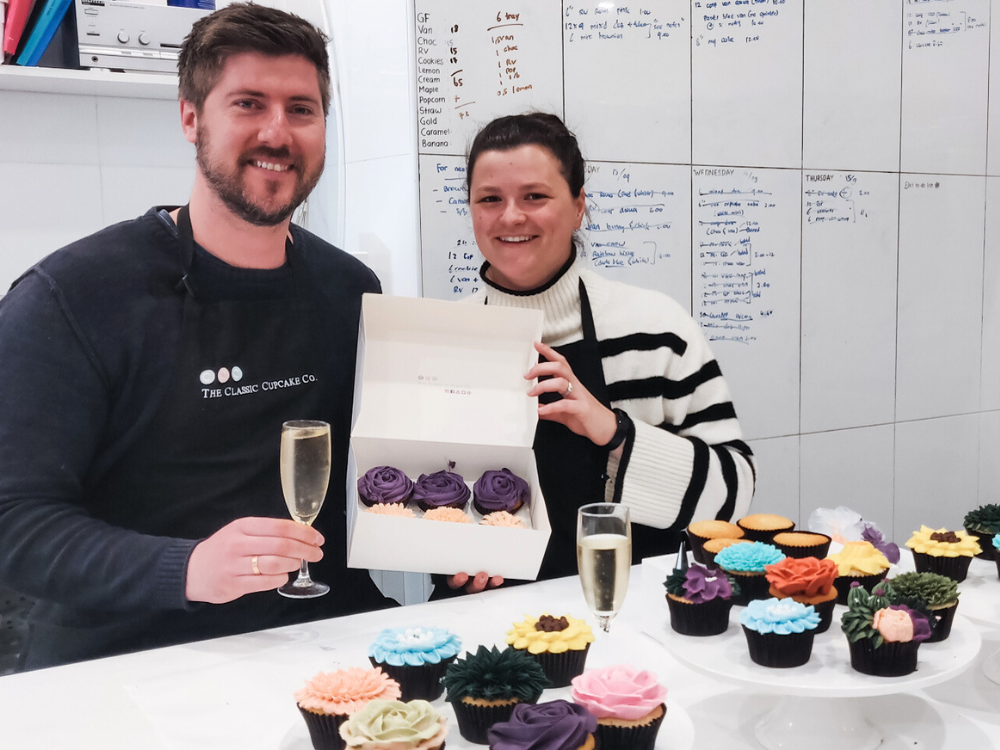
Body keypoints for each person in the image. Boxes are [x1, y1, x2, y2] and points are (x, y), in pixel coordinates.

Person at [0, 3, 390, 670]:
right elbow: (15, 520)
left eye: (301, 109)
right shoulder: (70, 297)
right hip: (123, 654)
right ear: (190, 117)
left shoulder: (350, 290)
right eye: (247, 103)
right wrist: (187, 567)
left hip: (318, 632)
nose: (278, 132)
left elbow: (384, 470)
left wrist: (458, 538)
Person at [449, 113, 756, 589]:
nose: (510, 216)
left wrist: (613, 431)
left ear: (578, 207)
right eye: (490, 199)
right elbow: (422, 499)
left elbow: (734, 494)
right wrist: (452, 559)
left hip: (637, 617)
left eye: (535, 196)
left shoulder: (656, 329)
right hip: (490, 621)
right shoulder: (449, 339)